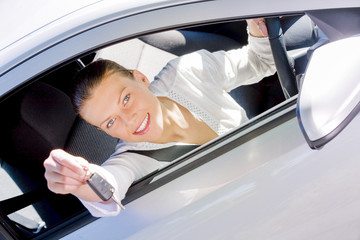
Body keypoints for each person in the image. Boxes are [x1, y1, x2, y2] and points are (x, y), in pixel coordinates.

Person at [43, 19, 275, 217]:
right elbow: (109, 186)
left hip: (275, 161)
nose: (129, 120)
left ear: (141, 78)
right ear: (106, 132)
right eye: (110, 122)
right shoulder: (130, 159)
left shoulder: (186, 72)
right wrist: (81, 182)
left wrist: (257, 25)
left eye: (126, 99)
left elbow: (259, 61)